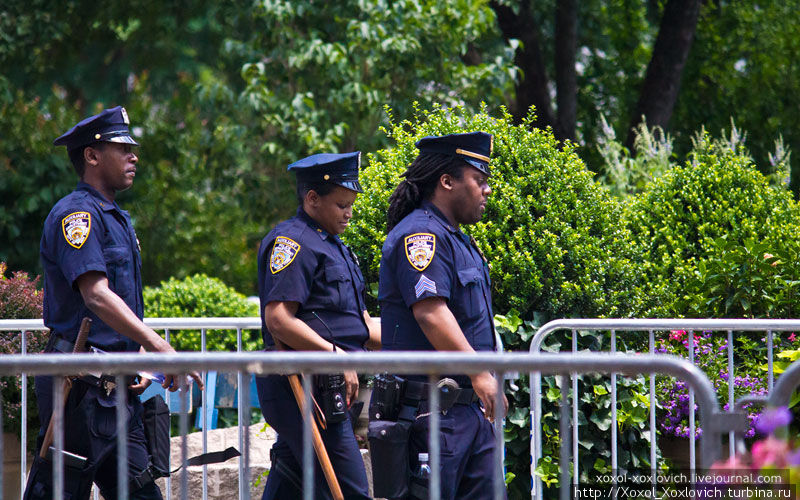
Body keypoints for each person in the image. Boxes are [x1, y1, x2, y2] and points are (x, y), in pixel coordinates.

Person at [25, 106, 203, 500]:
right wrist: (161, 348)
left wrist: (139, 356)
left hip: (116, 390)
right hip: (79, 390)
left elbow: (115, 308)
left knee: (142, 494)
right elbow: (96, 295)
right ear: (92, 155)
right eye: (123, 148)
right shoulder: (77, 215)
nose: (134, 156)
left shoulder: (115, 218)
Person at [374, 132, 508, 499]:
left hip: (467, 412)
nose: (487, 190)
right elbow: (431, 314)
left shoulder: (458, 239)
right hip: (432, 414)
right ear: (446, 182)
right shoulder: (421, 236)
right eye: (479, 181)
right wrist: (480, 372)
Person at [255, 152, 380, 500]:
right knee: (350, 490)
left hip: (329, 387)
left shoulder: (335, 247)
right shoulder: (293, 242)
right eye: (341, 204)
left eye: (351, 204)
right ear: (312, 198)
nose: (349, 213)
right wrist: (336, 357)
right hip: (304, 387)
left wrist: (427, 351)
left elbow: (361, 326)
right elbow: (278, 318)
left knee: (290, 480)